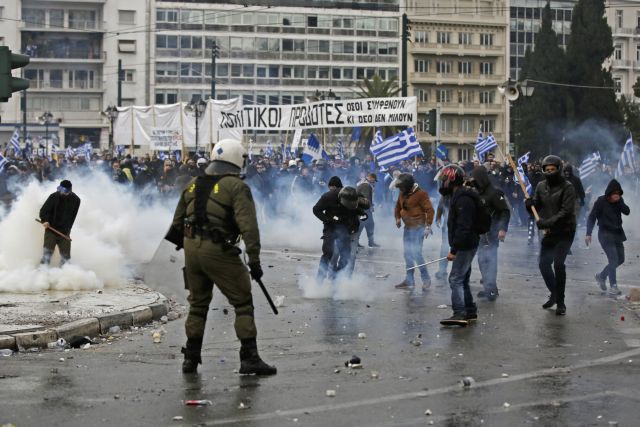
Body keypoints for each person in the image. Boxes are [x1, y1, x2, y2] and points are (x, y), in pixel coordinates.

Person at [167, 139, 276, 376]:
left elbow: (177, 222)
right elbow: (249, 227)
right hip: (217, 249)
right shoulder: (236, 186)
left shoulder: (193, 184)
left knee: (198, 305)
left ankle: (190, 359)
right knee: (243, 301)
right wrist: (254, 261)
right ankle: (250, 358)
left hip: (191, 249)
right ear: (237, 159)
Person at [525, 155, 576, 316]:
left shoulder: (567, 187)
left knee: (559, 264)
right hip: (549, 231)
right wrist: (529, 205)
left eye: (552, 169)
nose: (549, 172)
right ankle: (554, 292)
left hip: (565, 230)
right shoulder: (541, 186)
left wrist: (547, 223)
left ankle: (561, 302)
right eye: (546, 170)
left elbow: (566, 211)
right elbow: (536, 205)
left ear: (558, 169)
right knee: (543, 263)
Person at [436, 165, 481, 326]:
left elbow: (464, 227)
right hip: (466, 242)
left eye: (444, 179)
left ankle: (459, 313)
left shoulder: (463, 198)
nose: (443, 183)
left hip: (465, 244)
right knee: (463, 278)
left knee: (455, 279)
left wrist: (454, 249)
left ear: (452, 179)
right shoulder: (458, 195)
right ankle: (470, 310)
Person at [313, 179, 369, 282]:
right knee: (328, 253)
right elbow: (316, 209)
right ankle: (319, 280)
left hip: (345, 228)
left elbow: (361, 207)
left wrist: (363, 213)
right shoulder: (328, 197)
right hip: (331, 227)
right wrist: (328, 219)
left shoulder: (353, 195)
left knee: (346, 256)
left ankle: (336, 280)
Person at [469, 166, 511, 301]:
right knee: (482, 260)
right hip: (480, 233)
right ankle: (489, 287)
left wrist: (502, 229)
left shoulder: (494, 193)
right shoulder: (477, 192)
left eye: (475, 178)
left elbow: (505, 211)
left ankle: (491, 290)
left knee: (490, 260)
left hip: (491, 232)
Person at [586, 179, 630, 296]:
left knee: (620, 259)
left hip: (617, 234)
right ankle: (613, 285)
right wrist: (588, 233)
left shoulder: (619, 201)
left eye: (618, 193)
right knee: (613, 259)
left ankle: (601, 276)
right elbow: (592, 217)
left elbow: (627, 212)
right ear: (609, 193)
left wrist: (620, 202)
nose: (616, 195)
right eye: (614, 193)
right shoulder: (601, 201)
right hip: (605, 234)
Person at [394, 173, 435, 292]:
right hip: (407, 228)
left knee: (416, 254)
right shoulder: (402, 193)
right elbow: (397, 207)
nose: (400, 189)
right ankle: (409, 280)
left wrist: (428, 225)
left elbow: (430, 210)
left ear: (407, 185)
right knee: (407, 254)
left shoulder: (421, 194)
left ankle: (426, 279)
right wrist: (397, 218)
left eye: (402, 187)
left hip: (418, 228)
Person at [39, 180, 81, 266]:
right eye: (60, 189)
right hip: (51, 230)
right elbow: (44, 211)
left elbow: (73, 216)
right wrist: (45, 220)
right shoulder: (53, 197)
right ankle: (42, 271)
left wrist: (68, 229)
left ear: (70, 190)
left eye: (64, 190)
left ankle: (64, 273)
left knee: (66, 257)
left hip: (64, 232)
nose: (62, 192)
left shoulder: (76, 200)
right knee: (47, 254)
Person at [356, 173, 379, 248]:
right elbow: (365, 198)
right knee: (362, 225)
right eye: (374, 180)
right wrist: (369, 207)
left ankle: (370, 242)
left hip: (364, 209)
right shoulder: (366, 185)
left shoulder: (364, 183)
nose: (374, 182)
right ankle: (356, 242)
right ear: (371, 178)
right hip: (364, 210)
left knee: (370, 225)